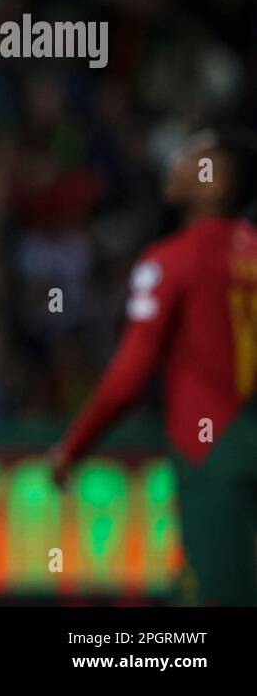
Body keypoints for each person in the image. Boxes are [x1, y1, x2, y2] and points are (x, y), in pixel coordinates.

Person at [50, 127, 257, 605]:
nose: (178, 162)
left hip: (212, 452)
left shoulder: (171, 261)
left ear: (216, 182)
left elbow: (128, 377)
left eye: (194, 156)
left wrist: (73, 446)